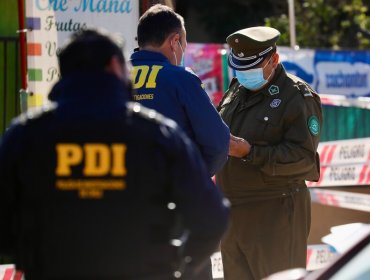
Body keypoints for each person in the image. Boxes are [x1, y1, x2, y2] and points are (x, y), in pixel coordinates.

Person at [0, 29, 229, 280]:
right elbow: (212, 218)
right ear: (114, 66)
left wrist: (32, 256)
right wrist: (178, 264)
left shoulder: (25, 135)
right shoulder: (158, 135)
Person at [216, 26, 323, 280]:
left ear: (274, 59)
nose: (244, 73)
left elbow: (303, 159)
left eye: (250, 67)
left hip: (275, 215)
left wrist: (250, 152)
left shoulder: (296, 96)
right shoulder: (235, 91)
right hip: (233, 216)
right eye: (239, 67)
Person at [130, 4, 229, 177]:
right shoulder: (182, 79)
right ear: (174, 41)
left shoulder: (113, 78)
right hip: (171, 194)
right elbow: (218, 144)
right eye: (184, 43)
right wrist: (193, 180)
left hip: (123, 194)